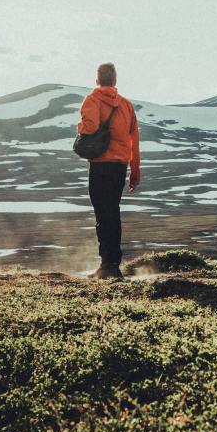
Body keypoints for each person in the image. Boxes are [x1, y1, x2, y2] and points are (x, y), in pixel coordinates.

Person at [77, 62, 140, 279]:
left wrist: (80, 128)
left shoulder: (92, 100)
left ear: (97, 80)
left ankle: (108, 265)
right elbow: (134, 140)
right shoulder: (126, 105)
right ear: (115, 81)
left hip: (100, 165)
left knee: (103, 214)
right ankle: (113, 263)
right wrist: (135, 170)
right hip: (120, 167)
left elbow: (90, 127)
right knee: (113, 211)